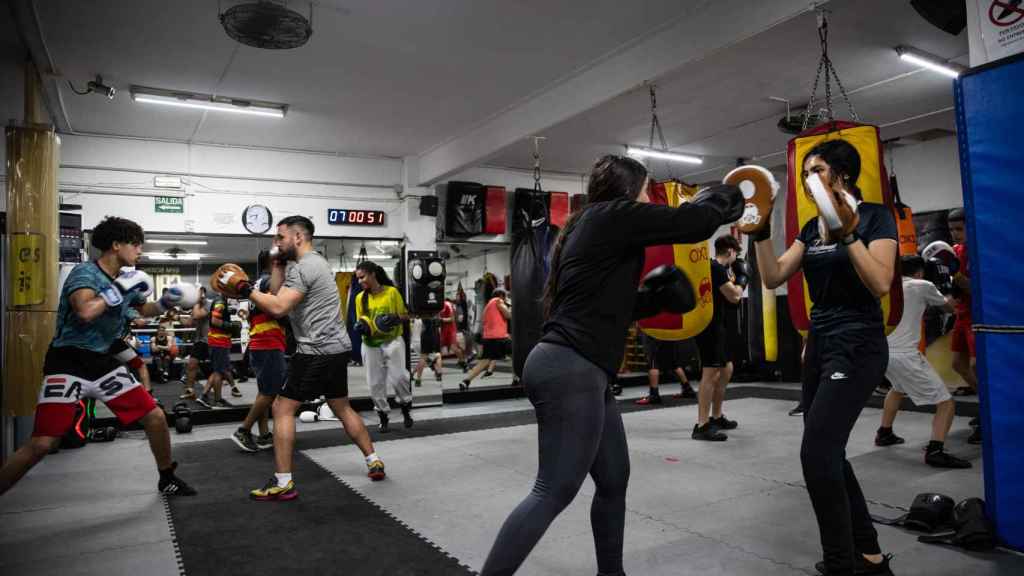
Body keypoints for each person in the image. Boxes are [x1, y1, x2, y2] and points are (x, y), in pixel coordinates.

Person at [479, 155, 742, 575]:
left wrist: (651, 300)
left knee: (614, 478)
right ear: (629, 190)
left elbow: (603, 307)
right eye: (646, 190)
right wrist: (722, 196)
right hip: (569, 369)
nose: (648, 197)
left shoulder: (591, 227)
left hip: (582, 371)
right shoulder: (611, 216)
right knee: (553, 490)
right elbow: (691, 224)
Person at [754, 140, 897, 575]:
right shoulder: (810, 227)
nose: (807, 179)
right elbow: (773, 275)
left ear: (841, 175)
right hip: (820, 344)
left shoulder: (875, 216)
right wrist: (760, 232)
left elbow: (880, 284)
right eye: (804, 173)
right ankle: (869, 555)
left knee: (816, 455)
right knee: (829, 453)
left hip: (858, 342)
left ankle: (842, 565)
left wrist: (849, 232)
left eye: (815, 169)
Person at [0, 216, 196, 497]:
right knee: (43, 443)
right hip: (68, 361)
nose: (140, 251)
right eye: (135, 244)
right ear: (116, 245)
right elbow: (86, 311)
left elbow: (143, 313)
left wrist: (166, 302)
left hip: (102, 362)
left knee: (154, 417)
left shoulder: (125, 280)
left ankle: (167, 477)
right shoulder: (85, 273)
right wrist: (117, 290)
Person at [243, 216, 385, 500]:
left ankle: (283, 482)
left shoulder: (304, 267)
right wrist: (277, 263)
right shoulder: (313, 263)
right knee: (342, 407)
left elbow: (279, 307)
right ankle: (373, 460)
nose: (276, 242)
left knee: (282, 408)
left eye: (280, 237)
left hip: (315, 351)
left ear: (298, 237)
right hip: (335, 348)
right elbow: (275, 292)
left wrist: (246, 290)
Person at [874, 255, 971, 469]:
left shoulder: (887, 285)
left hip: (883, 353)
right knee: (946, 403)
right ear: (919, 272)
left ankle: (884, 433)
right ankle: (935, 451)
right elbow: (949, 308)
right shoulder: (922, 284)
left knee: (897, 389)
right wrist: (956, 288)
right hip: (906, 355)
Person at [231, 250, 287, 453]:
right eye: (281, 262)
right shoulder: (267, 281)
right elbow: (278, 299)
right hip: (268, 343)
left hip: (261, 342)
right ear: (273, 263)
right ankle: (244, 430)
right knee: (271, 391)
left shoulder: (257, 285)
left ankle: (263, 435)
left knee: (265, 391)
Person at [693, 235, 744, 441]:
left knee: (726, 368)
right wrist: (743, 279)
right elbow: (734, 296)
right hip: (709, 327)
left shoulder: (719, 269)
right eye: (736, 254)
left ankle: (716, 416)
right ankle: (702, 425)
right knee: (711, 372)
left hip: (719, 325)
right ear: (731, 251)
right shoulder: (715, 268)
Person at [354, 261, 414, 432]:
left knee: (400, 377)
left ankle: (405, 408)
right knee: (374, 384)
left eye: (362, 277)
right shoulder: (360, 298)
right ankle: (383, 416)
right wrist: (361, 327)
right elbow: (361, 321)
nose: (360, 281)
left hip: (392, 341)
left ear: (373, 274)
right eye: (358, 278)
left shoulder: (391, 292)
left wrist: (394, 318)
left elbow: (406, 314)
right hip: (370, 345)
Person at [947, 209, 982, 444]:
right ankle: (986, 407)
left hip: (979, 315)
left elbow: (976, 289)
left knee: (978, 366)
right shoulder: (955, 252)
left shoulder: (980, 253)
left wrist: (956, 275)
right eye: (952, 230)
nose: (956, 234)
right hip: (961, 314)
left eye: (959, 229)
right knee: (959, 364)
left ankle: (990, 415)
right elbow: (956, 291)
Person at [460, 288, 511, 391]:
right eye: (505, 296)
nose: (505, 298)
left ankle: (466, 381)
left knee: (484, 361)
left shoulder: (487, 306)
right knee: (517, 355)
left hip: (488, 338)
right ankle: (517, 378)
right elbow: (508, 315)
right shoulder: (498, 300)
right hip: (499, 337)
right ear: (501, 295)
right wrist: (510, 306)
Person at [197, 292, 235, 407]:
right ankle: (217, 399)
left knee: (217, 370)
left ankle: (205, 395)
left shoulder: (221, 301)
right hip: (219, 341)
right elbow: (214, 321)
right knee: (219, 372)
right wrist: (231, 326)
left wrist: (229, 313)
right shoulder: (220, 302)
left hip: (219, 341)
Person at [634, 334, 695, 405]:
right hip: (670, 331)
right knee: (672, 362)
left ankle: (654, 395)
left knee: (653, 360)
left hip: (654, 329)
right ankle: (688, 389)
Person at [180, 287, 210, 400]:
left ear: (203, 294)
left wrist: (196, 302)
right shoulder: (197, 307)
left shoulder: (209, 304)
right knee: (192, 364)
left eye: (199, 293)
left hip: (210, 340)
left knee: (219, 370)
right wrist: (176, 316)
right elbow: (189, 323)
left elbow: (197, 315)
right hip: (200, 341)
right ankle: (190, 391)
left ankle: (230, 387)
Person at [412, 314, 443, 388]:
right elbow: (438, 324)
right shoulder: (433, 314)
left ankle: (418, 378)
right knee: (436, 356)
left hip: (418, 339)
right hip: (428, 336)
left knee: (425, 358)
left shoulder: (418, 314)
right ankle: (438, 373)